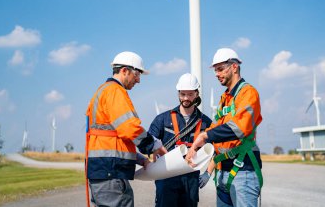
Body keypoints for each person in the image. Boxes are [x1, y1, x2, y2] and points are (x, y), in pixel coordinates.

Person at [85, 51, 167, 207]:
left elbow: (113, 139)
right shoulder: (115, 92)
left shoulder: (104, 91)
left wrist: (139, 158)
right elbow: (129, 128)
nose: (138, 80)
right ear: (124, 71)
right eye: (137, 74)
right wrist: (154, 145)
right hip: (111, 172)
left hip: (103, 170)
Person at [186, 48, 263, 207]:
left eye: (220, 69)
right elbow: (217, 132)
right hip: (222, 173)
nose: (217, 74)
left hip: (243, 173)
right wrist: (199, 150)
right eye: (215, 70)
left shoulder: (248, 93)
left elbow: (240, 128)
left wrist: (205, 136)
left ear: (234, 67)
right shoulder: (225, 99)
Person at [148, 73, 212, 207]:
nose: (186, 98)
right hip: (166, 177)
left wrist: (208, 173)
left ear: (196, 94)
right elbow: (149, 139)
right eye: (183, 94)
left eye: (190, 94)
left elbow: (217, 148)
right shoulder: (163, 119)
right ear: (178, 94)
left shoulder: (206, 122)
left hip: (191, 179)